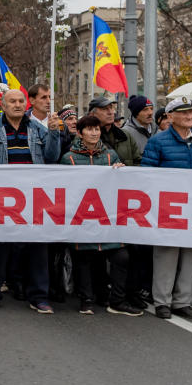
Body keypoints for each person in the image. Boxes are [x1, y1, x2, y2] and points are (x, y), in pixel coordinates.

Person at [0, 85, 63, 311]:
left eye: (21, 101)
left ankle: (39, 297)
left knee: (37, 248)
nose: (18, 105)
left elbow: (51, 158)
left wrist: (53, 133)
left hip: (33, 198)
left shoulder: (38, 129)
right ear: (3, 106)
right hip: (1, 198)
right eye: (12, 101)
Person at [60, 114, 141, 316]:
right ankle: (86, 299)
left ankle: (117, 300)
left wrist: (120, 170)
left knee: (121, 256)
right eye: (89, 129)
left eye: (96, 129)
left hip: (107, 220)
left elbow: (120, 185)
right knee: (84, 257)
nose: (94, 133)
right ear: (80, 133)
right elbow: (62, 188)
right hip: (82, 220)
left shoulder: (110, 156)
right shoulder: (68, 158)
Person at [142, 96, 192, 320]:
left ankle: (183, 300)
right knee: (167, 255)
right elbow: (147, 172)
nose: (190, 116)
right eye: (184, 113)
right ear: (171, 117)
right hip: (167, 207)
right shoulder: (158, 141)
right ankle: (162, 300)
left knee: (191, 255)